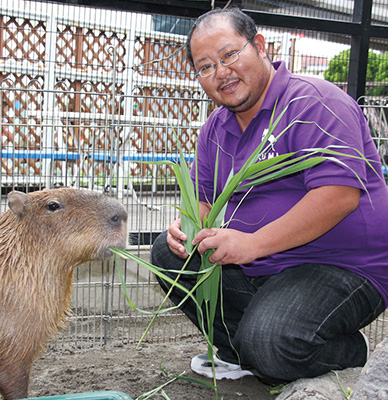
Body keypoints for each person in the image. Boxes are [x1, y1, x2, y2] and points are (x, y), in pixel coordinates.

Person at [150, 6, 388, 383]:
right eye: (205, 66)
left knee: (270, 342)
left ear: (259, 46)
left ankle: (348, 350)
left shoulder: (312, 102)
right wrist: (189, 224)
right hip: (265, 266)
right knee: (168, 252)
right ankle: (245, 351)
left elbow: (339, 195)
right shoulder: (216, 127)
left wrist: (253, 243)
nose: (221, 72)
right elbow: (204, 197)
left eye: (230, 55)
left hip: (342, 266)